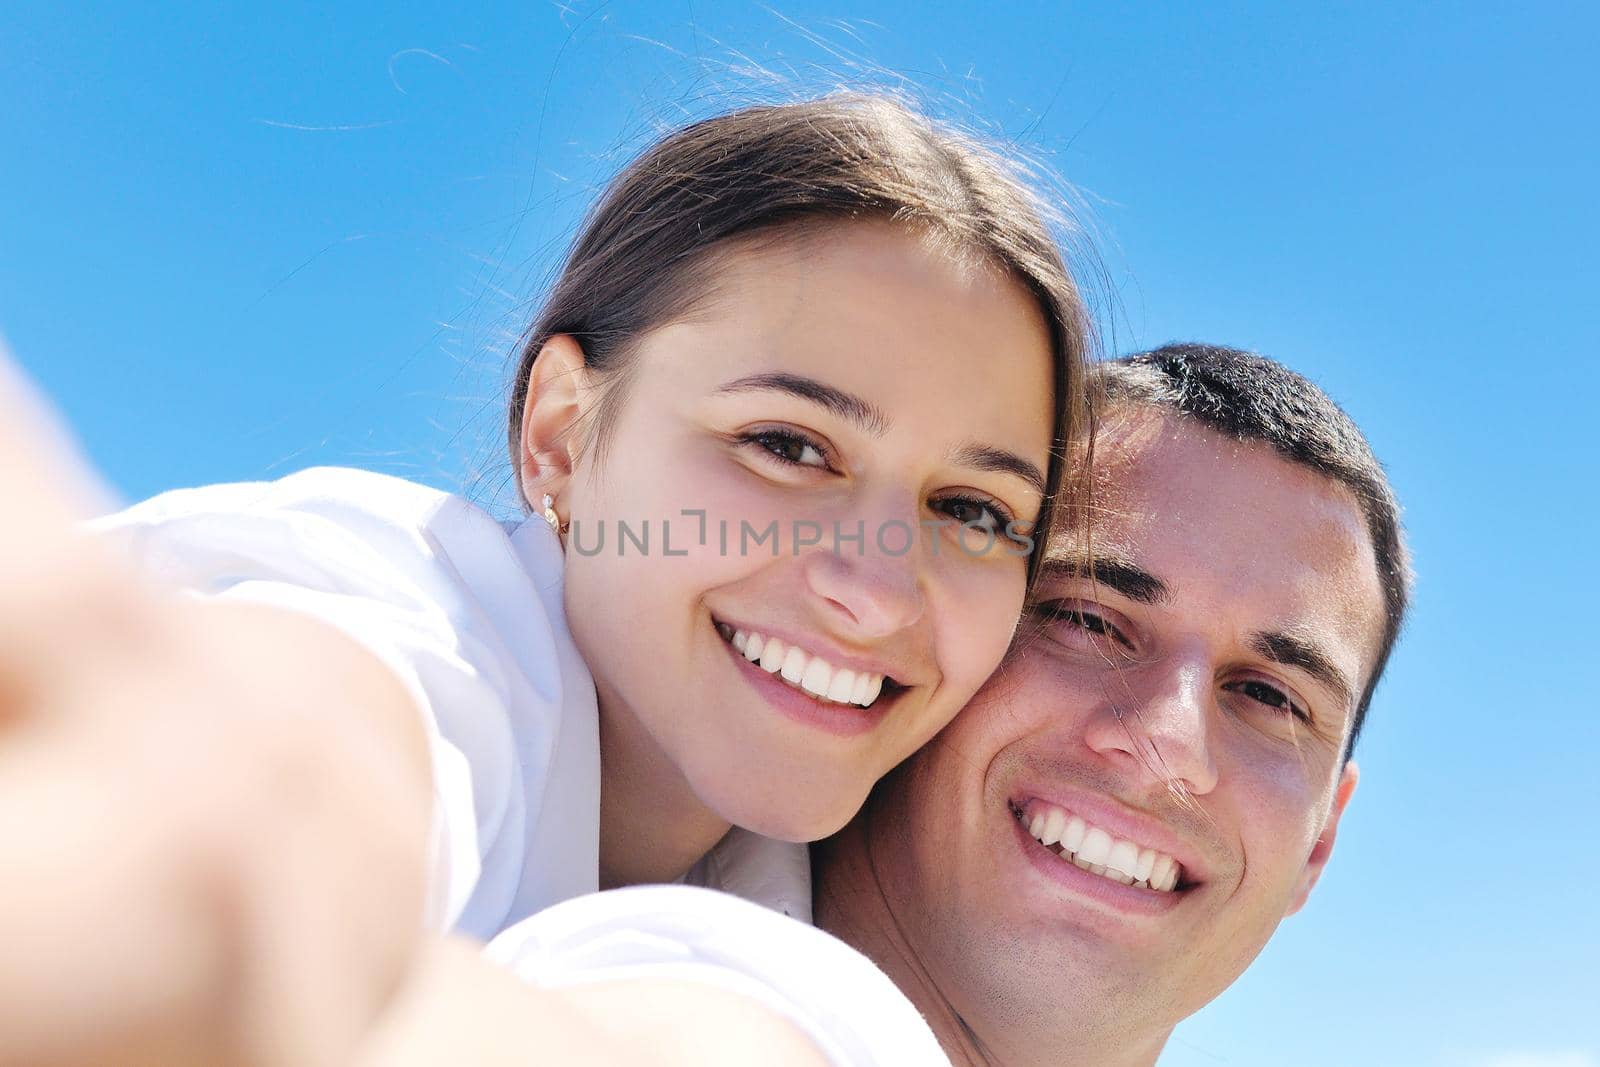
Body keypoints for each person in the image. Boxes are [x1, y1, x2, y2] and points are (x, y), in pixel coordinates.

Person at [0, 92, 1094, 1067]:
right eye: (787, 445)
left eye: (972, 511)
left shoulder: (796, 886)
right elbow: (276, 783)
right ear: (563, 437)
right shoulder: (412, 614)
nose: (879, 591)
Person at [355, 341, 1408, 1067]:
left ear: (1322, 836)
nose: (1167, 738)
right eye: (1087, 618)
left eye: (1269, 693)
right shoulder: (679, 973)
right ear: (922, 647)